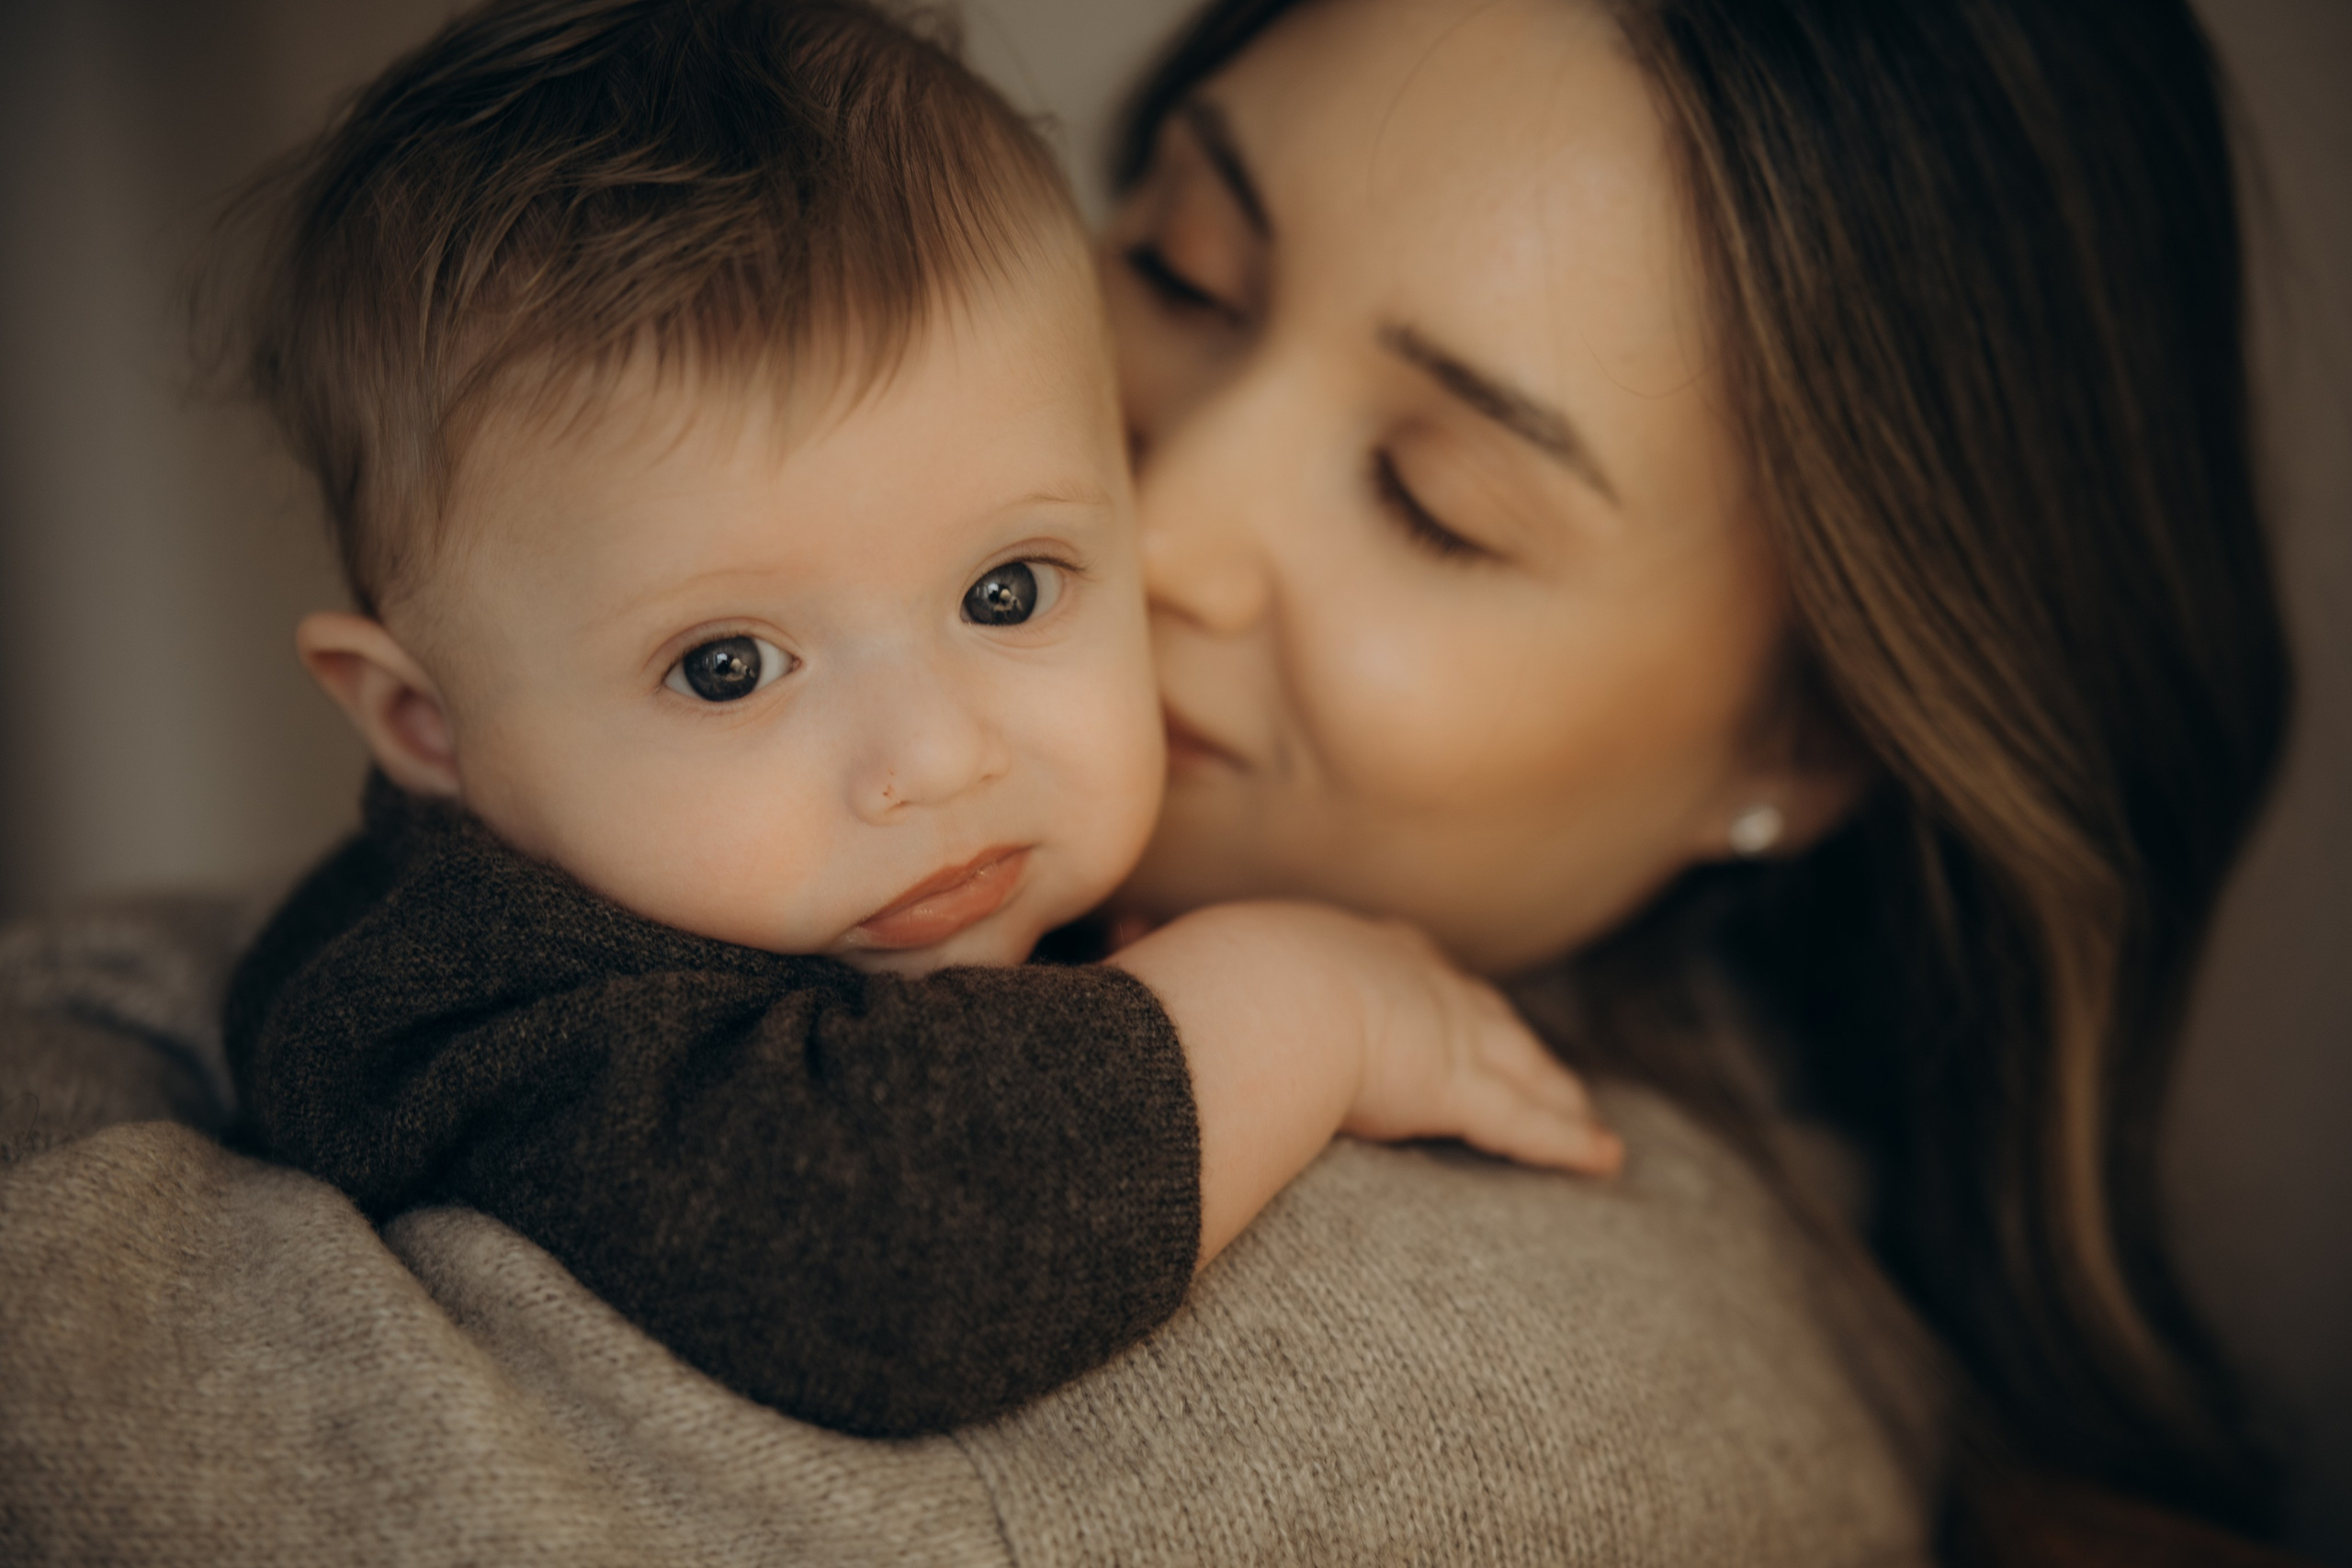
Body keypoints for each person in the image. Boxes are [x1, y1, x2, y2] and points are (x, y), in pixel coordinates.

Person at [0, 0, 2298, 1560]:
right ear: (414, 717)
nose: (1153, 520)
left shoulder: (1482, 1376)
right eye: (1185, 272)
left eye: (1435, 495)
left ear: (1817, 727)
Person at [210, 0, 1614, 1438]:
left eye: (1008, 591)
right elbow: (893, 1257)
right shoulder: (471, 994)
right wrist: (1303, 1009)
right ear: (425, 725)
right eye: (729, 669)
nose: (943, 758)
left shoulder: (775, 885)